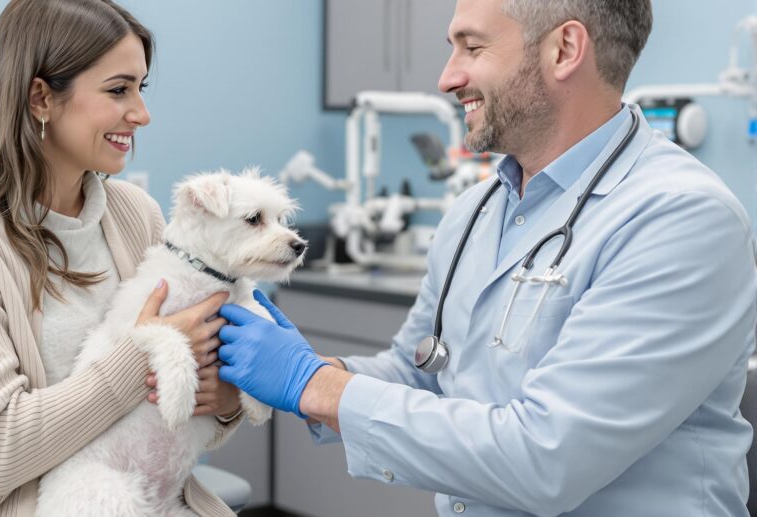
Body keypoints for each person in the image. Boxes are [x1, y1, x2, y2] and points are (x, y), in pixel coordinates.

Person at [216, 1, 757, 515]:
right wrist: (311, 373)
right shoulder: (476, 210)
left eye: (471, 48)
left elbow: (547, 458)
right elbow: (421, 369)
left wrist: (313, 386)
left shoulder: (680, 219)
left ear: (565, 50)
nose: (447, 78)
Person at [0, 1, 243, 515]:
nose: (141, 113)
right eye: (119, 90)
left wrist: (225, 400)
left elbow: (177, 425)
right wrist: (147, 353)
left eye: (141, 88)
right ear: (40, 97)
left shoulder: (135, 215)